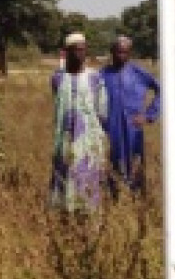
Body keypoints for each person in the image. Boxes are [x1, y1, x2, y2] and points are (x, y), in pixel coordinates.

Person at [49, 32, 109, 211]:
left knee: (88, 175)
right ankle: (65, 214)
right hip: (64, 140)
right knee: (64, 175)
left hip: (89, 142)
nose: (79, 54)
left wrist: (100, 140)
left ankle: (88, 214)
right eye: (74, 50)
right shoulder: (58, 78)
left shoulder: (95, 78)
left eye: (82, 50)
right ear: (66, 52)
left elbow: (102, 112)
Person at [100, 36, 160, 193]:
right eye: (118, 52)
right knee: (112, 163)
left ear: (129, 53)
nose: (121, 56)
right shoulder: (103, 74)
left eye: (125, 52)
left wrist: (148, 115)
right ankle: (114, 199)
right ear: (112, 52)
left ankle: (136, 199)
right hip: (110, 128)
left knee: (135, 163)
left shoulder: (138, 72)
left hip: (133, 128)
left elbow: (161, 90)